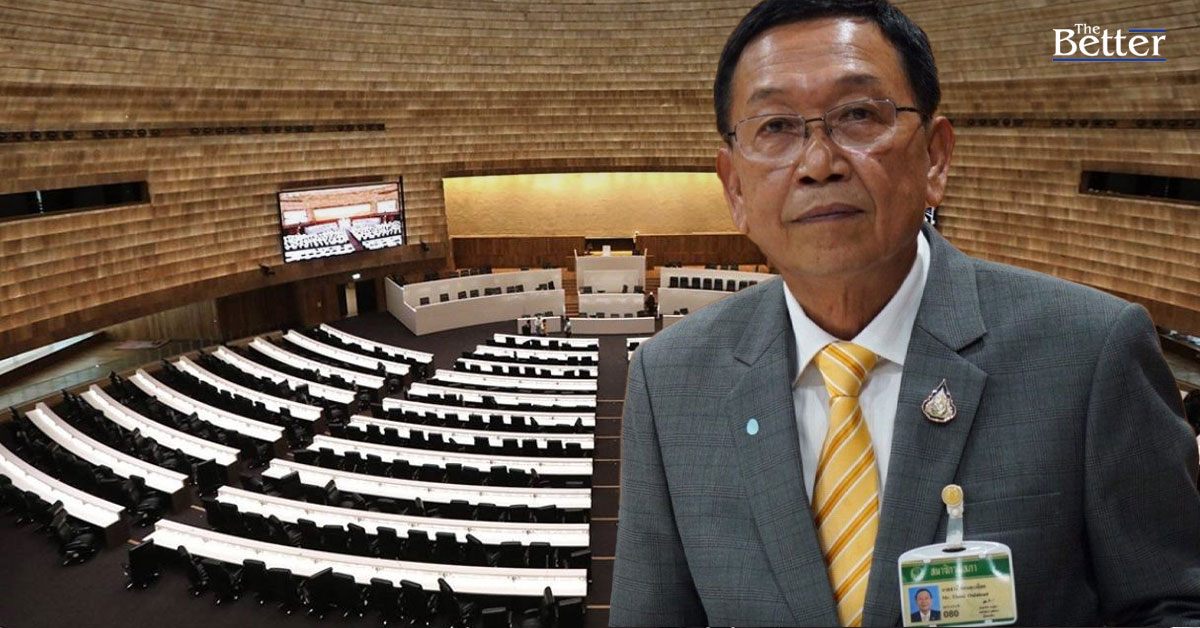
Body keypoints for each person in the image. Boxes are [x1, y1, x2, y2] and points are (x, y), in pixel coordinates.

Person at [609, 1, 1200, 626]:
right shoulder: (670, 382)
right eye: (776, 126)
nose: (819, 164)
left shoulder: (1088, 354)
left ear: (935, 157)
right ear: (734, 188)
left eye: (858, 115)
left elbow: (1173, 606)